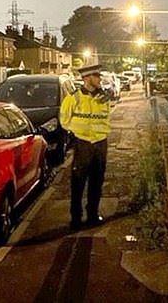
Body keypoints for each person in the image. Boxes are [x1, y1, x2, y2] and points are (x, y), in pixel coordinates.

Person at [59, 60, 113, 230]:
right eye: (96, 75)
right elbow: (64, 121)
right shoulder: (73, 99)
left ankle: (92, 215)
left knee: (97, 181)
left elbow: (106, 117)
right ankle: (75, 218)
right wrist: (78, 133)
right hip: (83, 144)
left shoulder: (103, 98)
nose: (99, 79)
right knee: (78, 183)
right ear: (87, 78)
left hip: (100, 144)